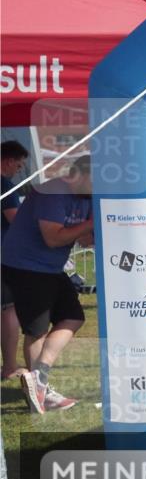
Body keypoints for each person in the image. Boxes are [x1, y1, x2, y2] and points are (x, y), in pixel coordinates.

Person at [0, 156, 94, 413]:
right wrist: (89, 225)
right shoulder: (52, 192)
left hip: (50, 267)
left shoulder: (87, 197)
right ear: (80, 176)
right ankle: (39, 390)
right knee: (37, 331)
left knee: (73, 317)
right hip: (24, 265)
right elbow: (53, 238)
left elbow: (85, 240)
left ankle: (38, 382)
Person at [1, 140, 29, 379]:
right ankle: (9, 366)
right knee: (9, 309)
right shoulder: (4, 186)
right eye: (18, 166)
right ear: (9, 161)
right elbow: (16, 221)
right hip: (4, 256)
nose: (18, 170)